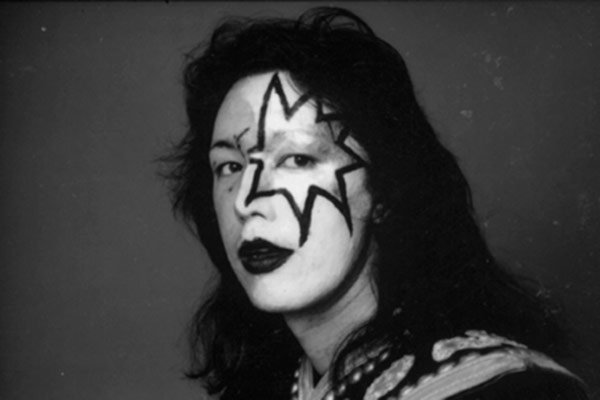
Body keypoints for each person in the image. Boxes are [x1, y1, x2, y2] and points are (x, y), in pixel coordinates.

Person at [163, 7, 589, 400]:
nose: (246, 200)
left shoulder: (510, 389)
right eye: (229, 166)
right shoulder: (266, 390)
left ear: (384, 189)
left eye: (298, 159)